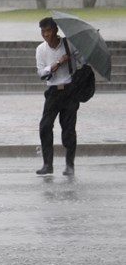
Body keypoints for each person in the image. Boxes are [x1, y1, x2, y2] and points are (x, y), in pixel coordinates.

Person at [35, 17, 85, 176]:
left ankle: (70, 165)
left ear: (56, 30)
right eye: (43, 31)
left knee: (68, 130)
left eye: (48, 30)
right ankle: (47, 164)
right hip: (52, 92)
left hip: (70, 91)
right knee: (45, 126)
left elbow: (83, 61)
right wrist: (56, 64)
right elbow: (41, 73)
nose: (46, 34)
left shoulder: (70, 45)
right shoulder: (41, 50)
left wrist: (78, 52)